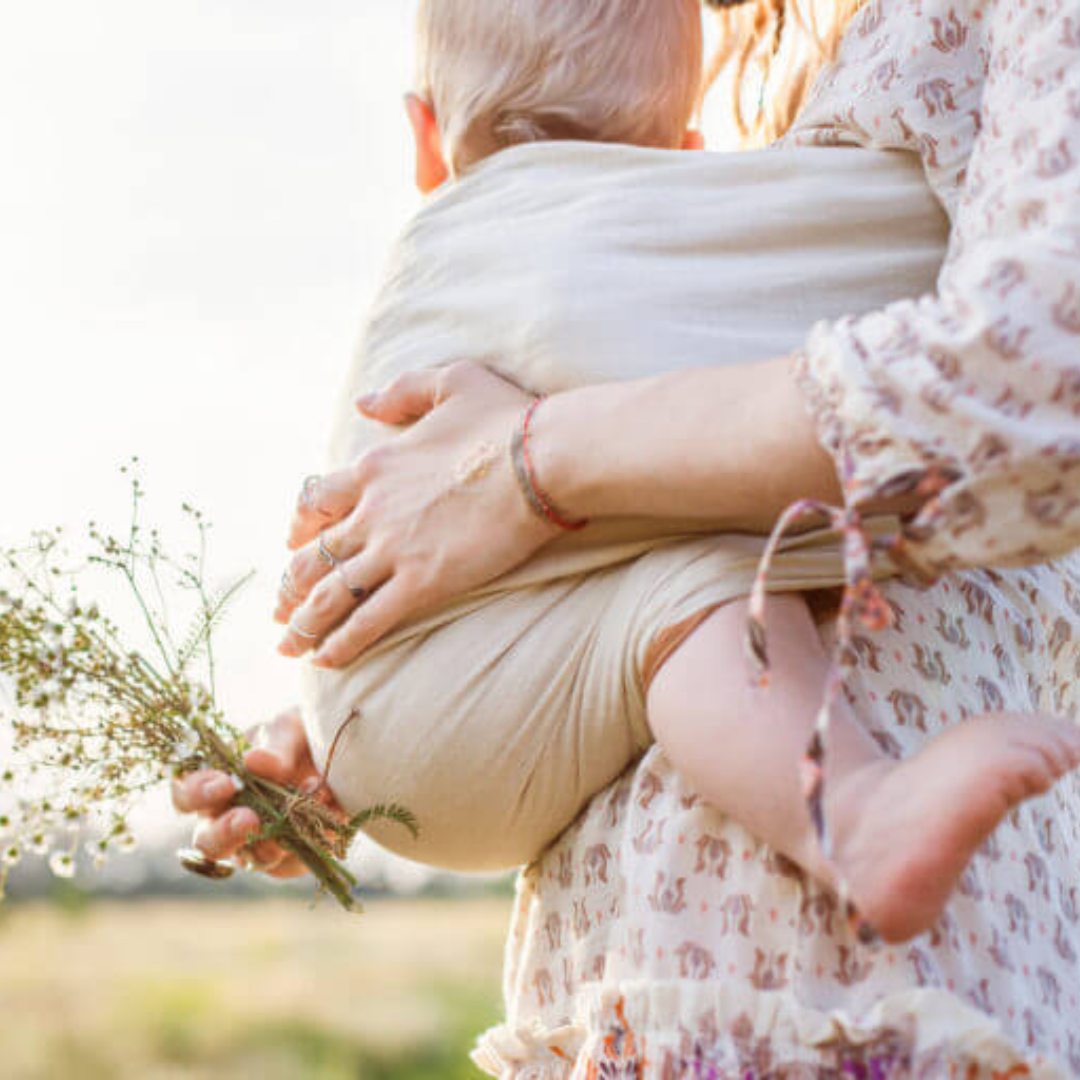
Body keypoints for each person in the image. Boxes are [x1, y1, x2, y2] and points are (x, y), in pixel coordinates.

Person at [174, 0, 1080, 1072]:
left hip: (845, 986)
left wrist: (524, 469)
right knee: (683, 578)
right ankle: (860, 813)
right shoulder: (720, 90)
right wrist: (382, 689)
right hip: (623, 967)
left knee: (686, 576)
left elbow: (1032, 371)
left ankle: (867, 817)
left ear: (424, 136)